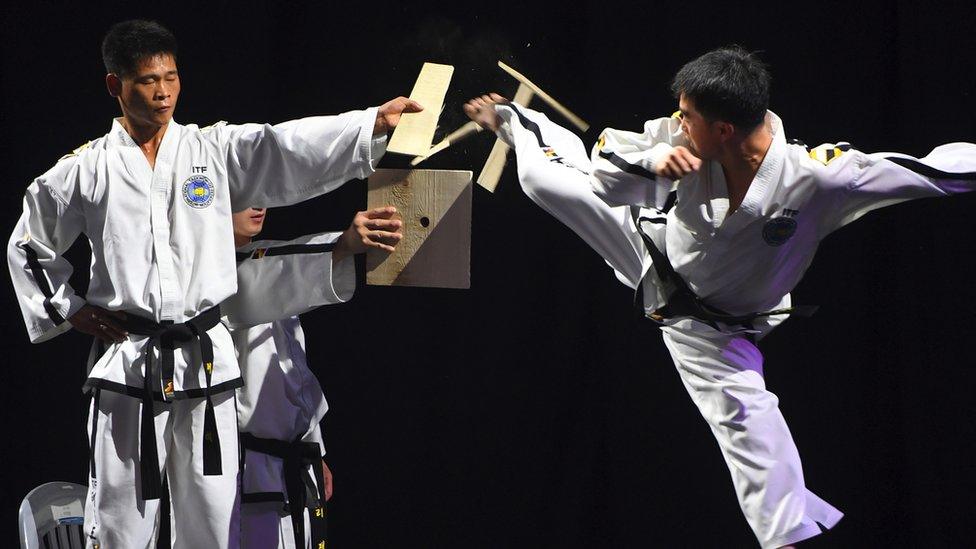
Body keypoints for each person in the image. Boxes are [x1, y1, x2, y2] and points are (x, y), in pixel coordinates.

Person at [463, 46, 976, 548]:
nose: (678, 123)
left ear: (723, 129)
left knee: (745, 419)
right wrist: (655, 163)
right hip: (650, 248)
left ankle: (786, 539)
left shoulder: (816, 177)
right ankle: (512, 116)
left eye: (688, 117)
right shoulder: (679, 134)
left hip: (712, 326)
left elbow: (928, 170)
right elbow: (605, 171)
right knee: (541, 179)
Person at [7, 19, 420, 548]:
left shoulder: (211, 150)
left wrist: (369, 126)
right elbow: (27, 243)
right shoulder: (86, 170)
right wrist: (69, 308)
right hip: (131, 364)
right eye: (146, 81)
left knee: (212, 519)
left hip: (205, 365)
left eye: (172, 78)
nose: (163, 93)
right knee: (119, 523)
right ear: (115, 85)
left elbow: (282, 147)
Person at [225, 205, 401, 549]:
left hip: (288, 462)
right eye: (245, 195)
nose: (259, 204)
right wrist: (343, 245)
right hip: (244, 469)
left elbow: (294, 375)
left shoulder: (269, 267)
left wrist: (314, 448)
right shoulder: (211, 281)